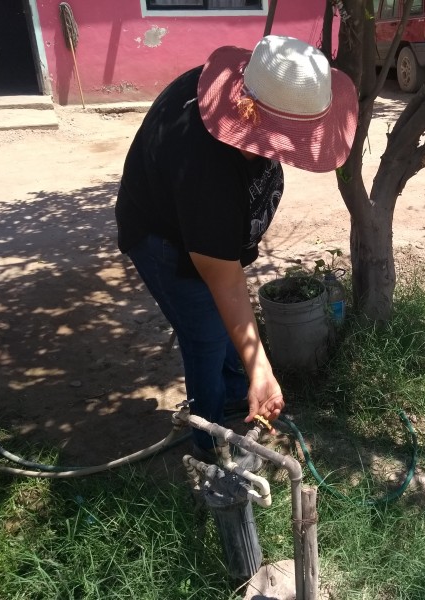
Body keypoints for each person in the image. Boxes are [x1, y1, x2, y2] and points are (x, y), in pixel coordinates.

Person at [114, 35, 358, 467]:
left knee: (227, 328)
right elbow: (223, 279)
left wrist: (253, 364)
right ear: (247, 116)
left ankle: (234, 395)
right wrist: (261, 367)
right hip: (162, 238)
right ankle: (211, 445)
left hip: (206, 233)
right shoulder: (204, 169)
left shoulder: (260, 92)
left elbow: (228, 272)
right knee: (206, 335)